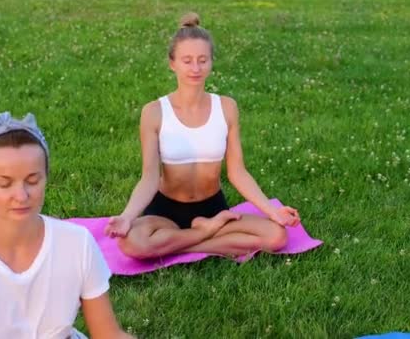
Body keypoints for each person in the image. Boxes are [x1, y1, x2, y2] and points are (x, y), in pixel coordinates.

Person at [104, 13, 301, 259]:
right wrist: (127, 216)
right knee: (131, 244)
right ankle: (208, 236)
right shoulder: (154, 112)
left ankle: (183, 243)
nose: (195, 68)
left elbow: (237, 172)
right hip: (165, 212)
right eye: (187, 60)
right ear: (172, 63)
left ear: (211, 62)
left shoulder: (227, 107)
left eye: (202, 60)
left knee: (277, 236)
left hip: (213, 209)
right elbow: (149, 177)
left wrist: (273, 212)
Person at [0, 112, 131, 339]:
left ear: (46, 177)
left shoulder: (77, 244)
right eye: (5, 184)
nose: (21, 196)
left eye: (33, 181)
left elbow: (108, 334)